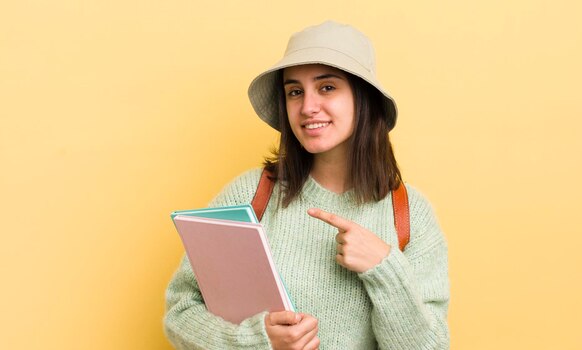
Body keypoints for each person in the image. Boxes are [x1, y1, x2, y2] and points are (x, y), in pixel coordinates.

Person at [164, 21, 449, 350]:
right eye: (295, 91)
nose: (308, 107)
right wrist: (257, 341)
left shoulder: (411, 215)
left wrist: (384, 267)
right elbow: (181, 313)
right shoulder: (251, 195)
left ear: (363, 98)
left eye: (327, 87)